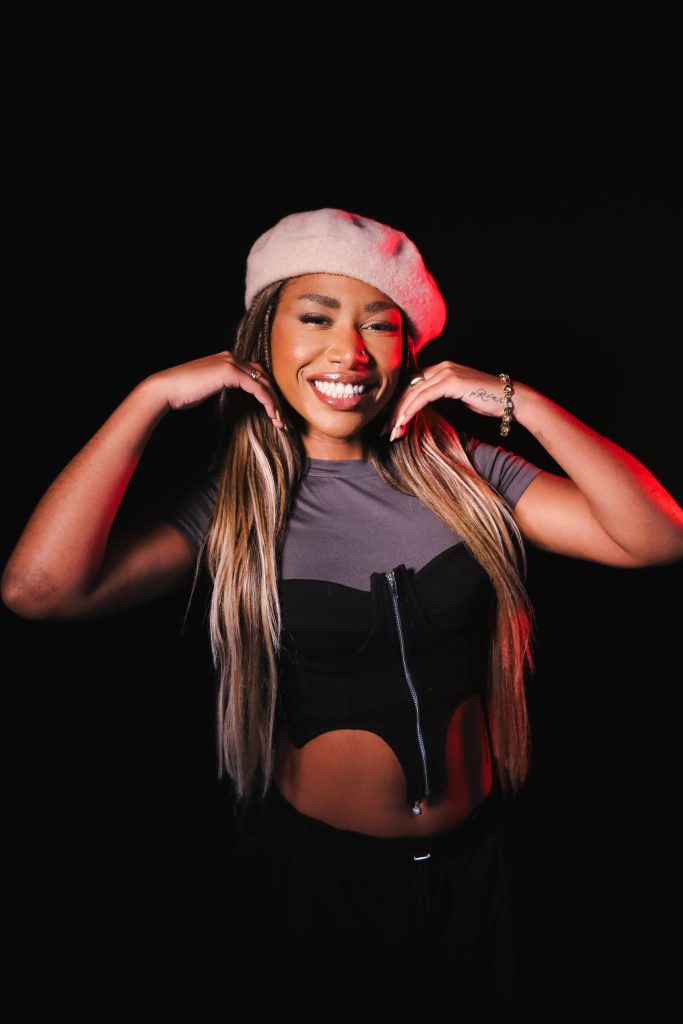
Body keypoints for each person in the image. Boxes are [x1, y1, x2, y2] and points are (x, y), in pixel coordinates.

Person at [3, 208, 682, 1023]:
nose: (349, 351)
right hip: (319, 892)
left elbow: (656, 538)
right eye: (316, 317)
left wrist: (517, 400)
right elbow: (39, 591)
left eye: (378, 326)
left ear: (407, 352)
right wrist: (149, 398)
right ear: (261, 338)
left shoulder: (465, 472)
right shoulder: (238, 505)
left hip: (475, 871)